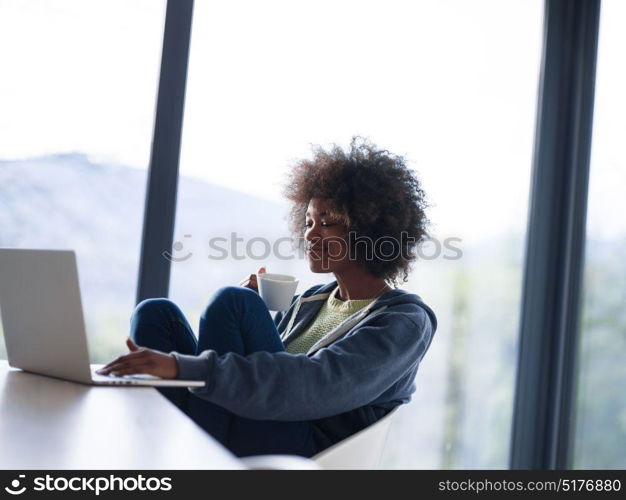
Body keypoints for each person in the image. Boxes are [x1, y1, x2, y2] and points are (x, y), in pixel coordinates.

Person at [97, 137, 437, 458]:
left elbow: (313, 385)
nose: (310, 234)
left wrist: (183, 364)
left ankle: (197, 459)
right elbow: (263, 366)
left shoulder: (403, 321)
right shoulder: (311, 301)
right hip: (254, 423)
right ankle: (173, 447)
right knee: (156, 313)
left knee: (233, 302)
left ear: (371, 228)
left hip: (302, 449)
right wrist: (251, 314)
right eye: (307, 221)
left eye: (327, 221)